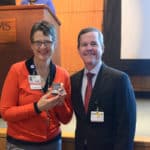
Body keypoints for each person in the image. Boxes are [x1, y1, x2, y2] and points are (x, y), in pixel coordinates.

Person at [0, 20, 73, 150]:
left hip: (52, 143)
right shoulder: (17, 71)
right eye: (38, 42)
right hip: (21, 144)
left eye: (47, 42)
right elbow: (5, 112)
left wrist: (60, 104)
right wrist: (36, 107)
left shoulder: (63, 75)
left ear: (54, 44)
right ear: (31, 45)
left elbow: (66, 119)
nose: (43, 47)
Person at [71, 27, 136, 150]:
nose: (89, 48)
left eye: (94, 44)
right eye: (84, 45)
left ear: (102, 48)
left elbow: (127, 125)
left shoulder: (119, 80)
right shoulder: (73, 81)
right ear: (79, 50)